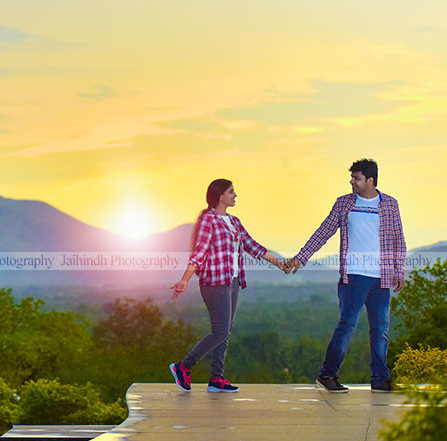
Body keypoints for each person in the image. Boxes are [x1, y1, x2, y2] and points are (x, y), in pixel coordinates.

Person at [286, 159, 406, 393]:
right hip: (353, 277)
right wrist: (301, 257)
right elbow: (323, 232)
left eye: (357, 178)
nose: (352, 181)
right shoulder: (344, 204)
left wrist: (398, 270)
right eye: (352, 177)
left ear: (370, 180)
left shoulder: (390, 205)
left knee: (380, 329)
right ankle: (327, 374)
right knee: (347, 326)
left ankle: (380, 379)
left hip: (381, 278)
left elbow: (398, 240)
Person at [169, 179, 287, 393]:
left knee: (225, 332)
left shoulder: (234, 221)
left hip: (232, 282)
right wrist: (185, 279)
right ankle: (183, 367)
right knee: (220, 331)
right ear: (219, 195)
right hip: (215, 283)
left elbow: (252, 246)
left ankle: (216, 379)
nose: (235, 195)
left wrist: (280, 263)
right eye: (231, 192)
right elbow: (200, 251)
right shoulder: (208, 220)